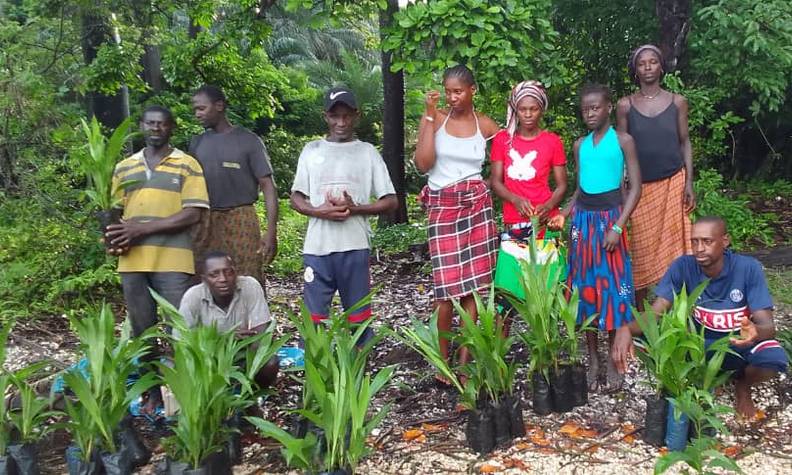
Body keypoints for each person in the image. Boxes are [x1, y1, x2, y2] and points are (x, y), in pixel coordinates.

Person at [612, 216, 788, 418]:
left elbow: (768, 325)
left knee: (773, 359)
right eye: (694, 241)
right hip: (699, 348)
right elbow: (655, 313)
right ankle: (694, 384)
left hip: (738, 344)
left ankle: (743, 385)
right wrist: (624, 328)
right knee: (644, 340)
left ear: (725, 241)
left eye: (707, 241)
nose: (699, 248)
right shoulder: (683, 267)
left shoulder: (748, 268)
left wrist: (755, 332)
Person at [106, 105, 209, 413]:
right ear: (141, 126)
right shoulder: (125, 167)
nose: (155, 128)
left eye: (162, 124)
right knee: (143, 330)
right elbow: (113, 212)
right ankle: (151, 393)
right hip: (133, 263)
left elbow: (193, 212)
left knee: (182, 327)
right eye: (150, 123)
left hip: (173, 260)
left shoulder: (187, 165)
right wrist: (112, 237)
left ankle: (186, 395)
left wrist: (140, 229)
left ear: (171, 128)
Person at [553, 84, 641, 392]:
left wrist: (618, 227)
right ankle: (592, 357)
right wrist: (564, 213)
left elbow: (636, 189)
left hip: (610, 219)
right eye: (585, 110)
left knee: (614, 287)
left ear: (608, 107)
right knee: (584, 286)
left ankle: (615, 356)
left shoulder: (624, 141)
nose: (590, 114)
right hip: (583, 222)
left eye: (595, 108)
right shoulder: (580, 145)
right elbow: (579, 189)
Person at [414, 65, 500, 376]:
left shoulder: (485, 125)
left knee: (473, 289)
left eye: (458, 91)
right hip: (443, 209)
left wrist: (491, 183)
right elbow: (423, 163)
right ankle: (442, 362)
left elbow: (508, 153)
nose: (452, 97)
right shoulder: (437, 119)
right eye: (448, 91)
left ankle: (464, 363)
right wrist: (428, 113)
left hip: (476, 208)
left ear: (472, 90)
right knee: (444, 292)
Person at [290, 86, 397, 332]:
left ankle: (359, 369)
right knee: (314, 319)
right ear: (325, 116)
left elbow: (391, 201)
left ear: (356, 115)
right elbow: (296, 198)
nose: (341, 122)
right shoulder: (312, 150)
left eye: (346, 116)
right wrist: (319, 211)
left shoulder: (367, 152)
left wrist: (356, 208)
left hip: (355, 246)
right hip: (317, 248)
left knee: (358, 319)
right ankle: (315, 368)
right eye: (335, 116)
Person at [616, 44, 695, 310]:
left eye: (653, 62)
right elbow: (621, 146)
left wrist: (689, 183)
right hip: (641, 189)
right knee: (640, 249)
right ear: (635, 71)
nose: (648, 67)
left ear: (661, 67)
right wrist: (622, 184)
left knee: (677, 249)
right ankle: (640, 316)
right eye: (642, 63)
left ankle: (676, 312)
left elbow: (685, 142)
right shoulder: (625, 105)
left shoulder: (677, 102)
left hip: (673, 182)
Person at [190, 85, 279, 288]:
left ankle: (254, 320)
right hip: (206, 220)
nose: (197, 114)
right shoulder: (197, 143)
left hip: (241, 219)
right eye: (195, 109)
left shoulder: (248, 141)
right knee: (206, 279)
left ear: (219, 106)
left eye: (202, 109)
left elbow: (268, 185)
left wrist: (271, 231)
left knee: (248, 278)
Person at [178, 251, 279, 389]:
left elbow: (262, 335)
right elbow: (183, 343)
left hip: (243, 353)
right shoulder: (192, 297)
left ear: (236, 273)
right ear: (204, 279)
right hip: (208, 357)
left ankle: (251, 396)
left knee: (270, 362)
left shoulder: (250, 286)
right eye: (214, 274)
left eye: (228, 272)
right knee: (173, 366)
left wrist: (249, 367)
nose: (223, 279)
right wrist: (225, 339)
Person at [491, 80, 568, 237]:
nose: (527, 114)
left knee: (547, 262)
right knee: (516, 261)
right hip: (514, 220)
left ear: (541, 110)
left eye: (534, 109)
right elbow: (496, 182)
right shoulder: (503, 140)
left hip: (546, 220)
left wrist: (548, 206)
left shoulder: (552, 141)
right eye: (522, 109)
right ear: (515, 110)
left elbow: (562, 186)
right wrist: (515, 200)